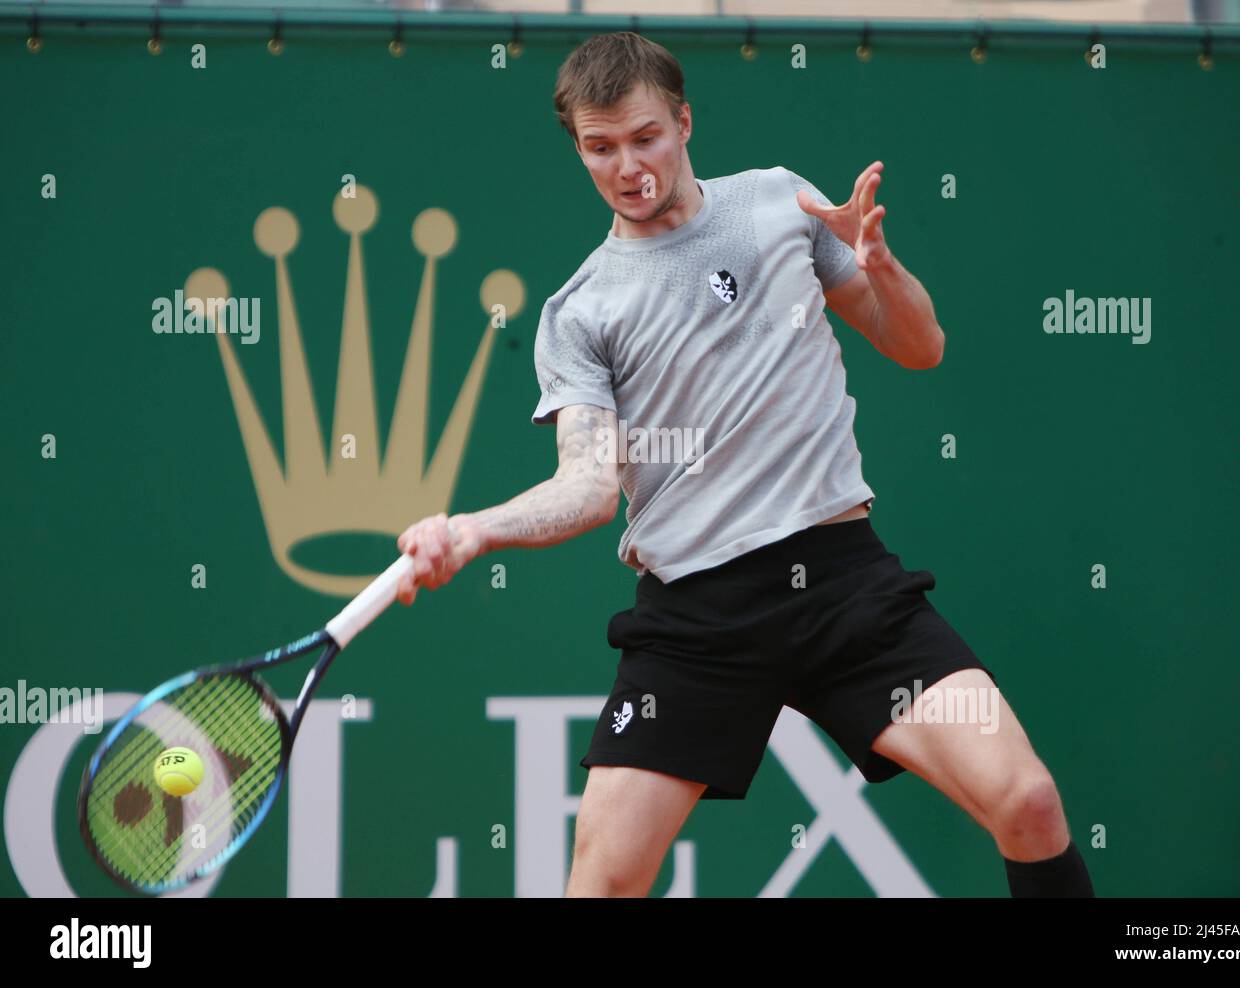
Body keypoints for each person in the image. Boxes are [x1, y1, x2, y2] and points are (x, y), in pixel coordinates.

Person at [395, 31, 1093, 899]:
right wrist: (473, 531)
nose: (628, 166)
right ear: (578, 148)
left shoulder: (778, 205)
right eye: (600, 147)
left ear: (685, 122)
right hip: (698, 620)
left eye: (645, 137)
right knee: (599, 887)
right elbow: (585, 488)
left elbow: (920, 346)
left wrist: (881, 266)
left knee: (1026, 801)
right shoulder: (580, 313)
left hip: (847, 593)